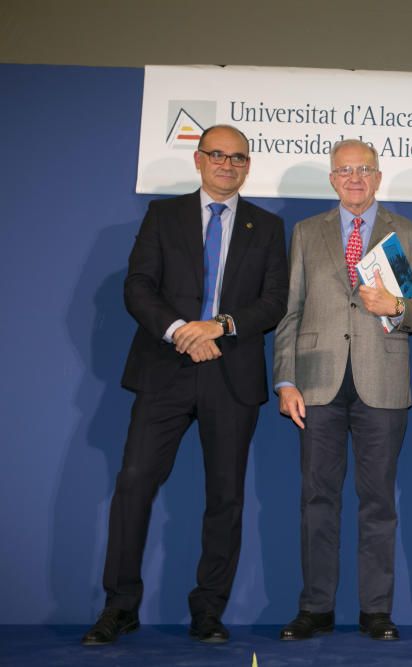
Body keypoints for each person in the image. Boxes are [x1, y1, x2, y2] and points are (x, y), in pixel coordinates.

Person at [82, 125, 289, 646]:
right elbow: (137, 287)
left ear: (248, 165)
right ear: (198, 160)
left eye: (238, 157)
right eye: (218, 155)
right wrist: (181, 332)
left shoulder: (266, 226)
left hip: (231, 373)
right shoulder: (162, 216)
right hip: (164, 370)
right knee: (133, 485)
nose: (228, 164)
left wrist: (218, 326)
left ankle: (208, 611)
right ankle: (120, 606)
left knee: (226, 498)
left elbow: (274, 301)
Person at [273, 139, 412, 642]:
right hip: (316, 384)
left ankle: (376, 612)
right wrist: (284, 379)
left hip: (382, 384)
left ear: (378, 175)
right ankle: (316, 608)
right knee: (317, 499)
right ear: (331, 179)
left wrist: (396, 306)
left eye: (363, 169)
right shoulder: (306, 232)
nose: (354, 178)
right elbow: (290, 311)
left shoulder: (407, 233)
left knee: (378, 503)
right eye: (344, 170)